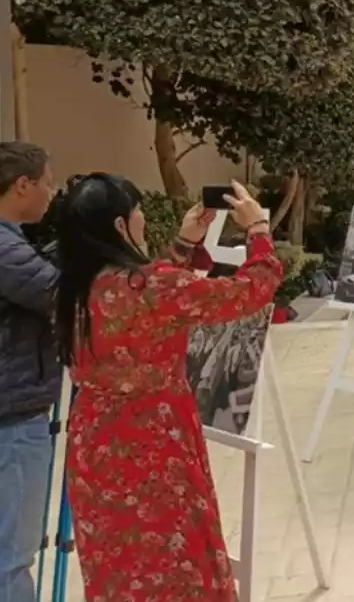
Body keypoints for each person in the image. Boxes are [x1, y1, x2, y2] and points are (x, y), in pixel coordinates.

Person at [54, 175, 280, 601]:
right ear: (121, 225)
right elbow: (250, 293)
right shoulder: (150, 286)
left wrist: (182, 243)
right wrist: (258, 232)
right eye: (138, 211)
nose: (142, 219)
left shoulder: (72, 286)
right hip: (153, 441)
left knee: (118, 564)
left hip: (94, 443)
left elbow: (148, 297)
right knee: (174, 563)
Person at [0, 142, 58, 602]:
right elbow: (65, 296)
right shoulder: (4, 248)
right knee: (10, 559)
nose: (51, 194)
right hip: (13, 421)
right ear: (24, 184)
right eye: (48, 184)